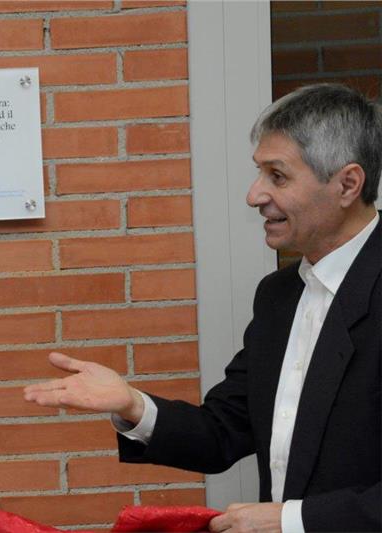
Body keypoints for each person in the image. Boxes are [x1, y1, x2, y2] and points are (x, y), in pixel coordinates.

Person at [24, 83, 381, 532]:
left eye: (278, 176)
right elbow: (224, 430)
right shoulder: (278, 297)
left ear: (347, 184)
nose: (254, 195)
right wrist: (133, 405)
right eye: (259, 173)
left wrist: (293, 521)